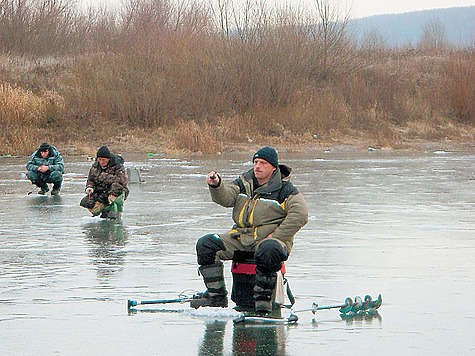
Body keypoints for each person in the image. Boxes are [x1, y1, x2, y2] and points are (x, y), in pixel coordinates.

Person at [191, 147, 308, 313]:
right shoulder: (244, 182)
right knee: (207, 244)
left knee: (268, 250)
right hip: (242, 239)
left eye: (263, 163)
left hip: (270, 242)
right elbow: (227, 197)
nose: (257, 166)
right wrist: (217, 185)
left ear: (273, 167)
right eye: (255, 162)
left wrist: (277, 235)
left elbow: (301, 214)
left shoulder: (285, 190)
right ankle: (216, 296)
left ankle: (263, 301)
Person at [80, 145, 128, 219]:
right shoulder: (95, 167)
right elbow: (90, 180)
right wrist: (89, 187)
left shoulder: (117, 166)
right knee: (87, 202)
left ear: (108, 159)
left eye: (103, 160)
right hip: (101, 191)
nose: (101, 162)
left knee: (116, 189)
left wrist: (103, 177)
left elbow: (121, 180)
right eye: (99, 160)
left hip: (114, 191)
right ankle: (104, 209)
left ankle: (115, 209)